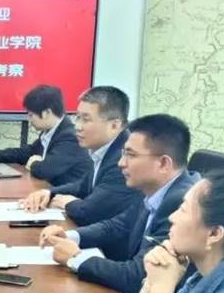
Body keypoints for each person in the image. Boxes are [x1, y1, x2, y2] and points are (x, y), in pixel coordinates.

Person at [40, 114, 199, 293]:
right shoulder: (154, 188)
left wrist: (75, 258)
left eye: (131, 155)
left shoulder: (182, 204)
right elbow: (118, 225)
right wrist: (70, 236)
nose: (121, 163)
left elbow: (139, 276)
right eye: (123, 153)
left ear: (163, 163)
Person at [18, 85, 141, 225]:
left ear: (115, 125)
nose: (77, 126)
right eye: (77, 118)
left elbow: (89, 213)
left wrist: (67, 203)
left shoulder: (124, 160)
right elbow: (82, 186)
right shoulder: (104, 149)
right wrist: (49, 193)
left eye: (86, 120)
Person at [0, 84, 89, 185]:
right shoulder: (50, 132)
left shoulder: (69, 137)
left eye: (31, 115)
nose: (29, 119)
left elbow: (45, 170)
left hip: (68, 199)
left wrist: (33, 163)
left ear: (47, 113)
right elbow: (24, 153)